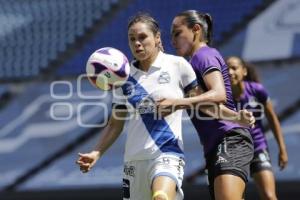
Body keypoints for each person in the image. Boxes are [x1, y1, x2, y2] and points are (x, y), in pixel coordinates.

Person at [76, 13, 254, 200]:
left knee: (161, 197)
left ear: (157, 37)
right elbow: (115, 124)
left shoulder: (178, 65)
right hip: (134, 161)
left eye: (142, 37)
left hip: (167, 155)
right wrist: (96, 152)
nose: (137, 43)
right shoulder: (123, 78)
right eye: (132, 39)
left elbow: (204, 104)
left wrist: (235, 117)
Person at [156, 10, 255, 200]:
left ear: (196, 30)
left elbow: (218, 94)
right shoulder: (190, 65)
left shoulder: (204, 55)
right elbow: (207, 106)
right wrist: (236, 116)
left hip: (229, 139)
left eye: (178, 33)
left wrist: (178, 103)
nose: (173, 40)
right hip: (215, 145)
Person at [226, 56, 288, 200]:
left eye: (234, 68)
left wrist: (282, 149)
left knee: (269, 196)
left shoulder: (257, 90)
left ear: (244, 71)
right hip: (233, 152)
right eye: (226, 69)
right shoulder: (221, 95)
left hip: (257, 147)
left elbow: (273, 119)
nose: (229, 72)